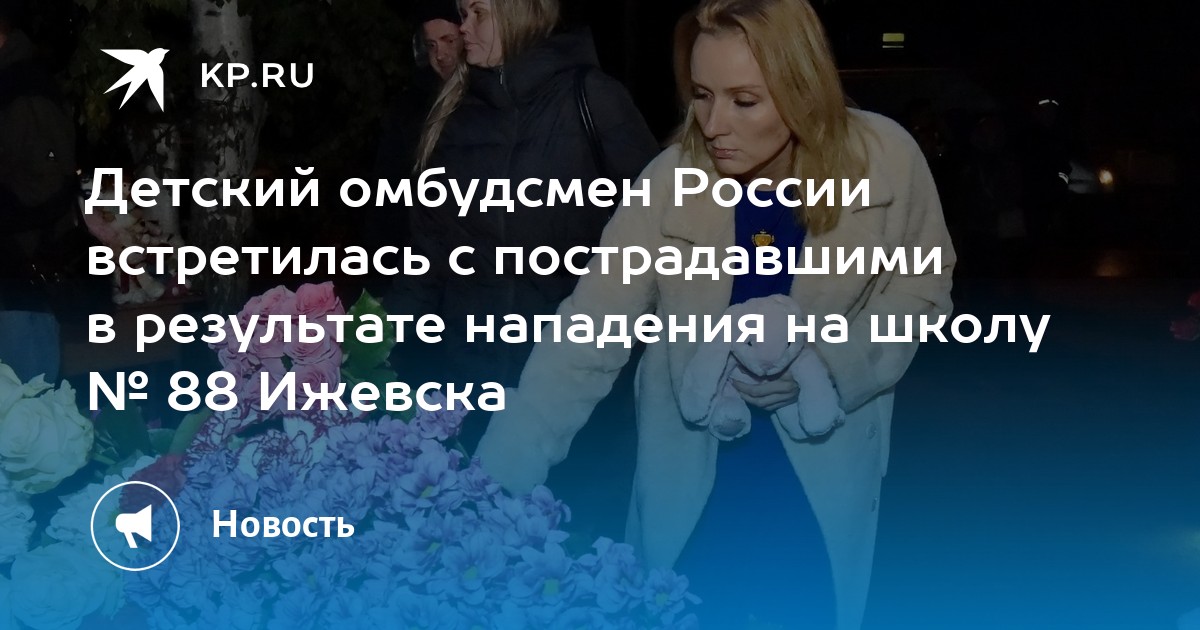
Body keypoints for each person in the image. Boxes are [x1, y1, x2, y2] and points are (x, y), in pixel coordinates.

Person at [473, 0, 955, 628]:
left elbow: (921, 288)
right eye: (701, 95)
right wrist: (495, 481)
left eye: (744, 101)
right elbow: (586, 335)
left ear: (803, 89)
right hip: (690, 478)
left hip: (821, 479)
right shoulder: (667, 183)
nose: (713, 124)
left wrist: (834, 366)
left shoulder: (886, 159)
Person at [386, 0, 658, 411]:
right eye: (463, 15)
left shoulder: (591, 98)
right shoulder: (453, 115)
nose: (464, 28)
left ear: (517, 13)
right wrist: (366, 342)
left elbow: (660, 228)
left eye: (477, 13)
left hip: (572, 383)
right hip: (469, 381)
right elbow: (428, 257)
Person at [0, 3, 77, 382]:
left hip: (23, 280)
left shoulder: (22, 88)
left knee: (27, 402)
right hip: (16, 279)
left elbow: (48, 186)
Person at [367, 0, 466, 260]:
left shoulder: (491, 99)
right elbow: (387, 195)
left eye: (449, 41)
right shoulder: (409, 109)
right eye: (431, 45)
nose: (440, 55)